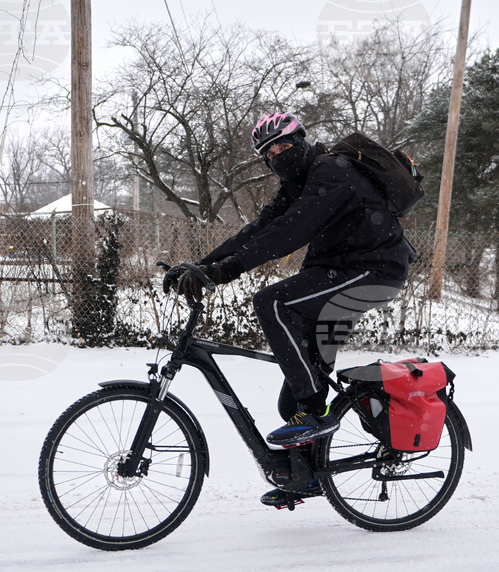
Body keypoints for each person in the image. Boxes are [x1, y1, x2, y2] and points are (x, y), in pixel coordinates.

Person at [162, 112, 410, 503]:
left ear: (302, 139)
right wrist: (201, 266)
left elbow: (290, 232)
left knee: (272, 302)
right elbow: (257, 230)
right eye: (269, 150)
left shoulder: (330, 172)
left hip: (373, 272)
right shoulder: (296, 183)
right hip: (338, 275)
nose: (278, 152)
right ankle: (307, 475)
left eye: (284, 143)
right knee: (290, 399)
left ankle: (315, 409)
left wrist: (226, 271)